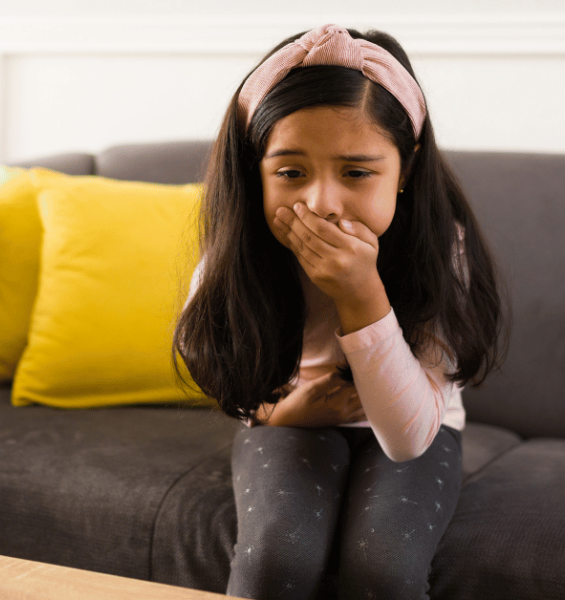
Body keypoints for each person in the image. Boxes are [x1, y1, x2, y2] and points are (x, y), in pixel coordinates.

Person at [173, 24, 505, 600]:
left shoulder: (440, 246)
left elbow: (406, 440)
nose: (321, 203)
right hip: (290, 414)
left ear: (406, 167)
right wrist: (279, 414)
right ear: (256, 171)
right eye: (290, 172)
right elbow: (225, 370)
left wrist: (361, 295)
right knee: (277, 557)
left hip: (412, 427)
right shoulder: (237, 251)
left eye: (356, 172)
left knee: (382, 568)